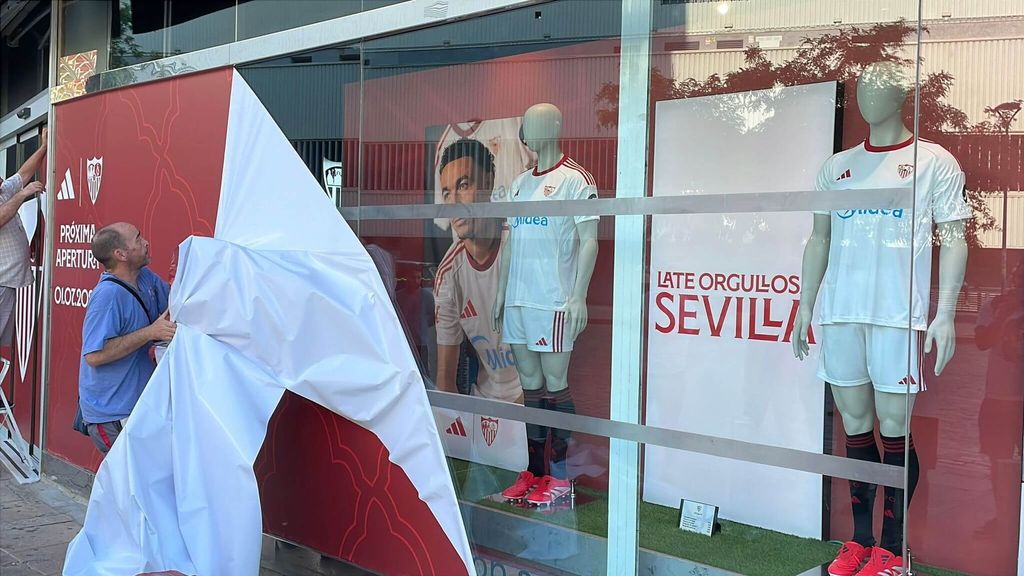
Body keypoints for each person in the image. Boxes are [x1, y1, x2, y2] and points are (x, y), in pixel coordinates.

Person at [793, 63, 971, 576]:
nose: (870, 97)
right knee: (853, 427)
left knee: (894, 428)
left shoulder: (933, 161)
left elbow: (953, 237)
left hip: (897, 316)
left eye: (882, 88)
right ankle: (861, 543)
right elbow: (819, 238)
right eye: (863, 89)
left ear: (903, 96)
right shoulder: (836, 167)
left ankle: (894, 551)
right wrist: (806, 304)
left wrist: (946, 313)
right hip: (841, 312)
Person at [493, 103, 599, 506]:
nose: (524, 132)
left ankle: (559, 476)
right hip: (519, 300)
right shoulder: (519, 183)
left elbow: (589, 240)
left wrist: (578, 295)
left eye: (530, 125)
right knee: (530, 385)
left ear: (553, 127)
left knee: (556, 385)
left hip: (552, 300)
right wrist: (501, 293)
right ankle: (534, 471)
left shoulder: (576, 181)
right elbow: (509, 240)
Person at [434, 138, 523, 404]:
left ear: (488, 182)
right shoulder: (448, 274)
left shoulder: (521, 249)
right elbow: (445, 379)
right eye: (447, 192)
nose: (455, 202)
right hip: (485, 405)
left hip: (533, 408)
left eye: (463, 185)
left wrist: (526, 428)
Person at [79, 222, 175, 454]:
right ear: (120, 254)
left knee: (144, 484)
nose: (146, 242)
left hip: (138, 408)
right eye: (138, 239)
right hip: (112, 416)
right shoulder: (107, 296)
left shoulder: (145, 278)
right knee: (126, 486)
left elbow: (175, 304)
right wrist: (151, 332)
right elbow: (93, 355)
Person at [0, 128, 47, 356]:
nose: (1, 177)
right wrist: (23, 195)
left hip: (7, 281)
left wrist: (44, 147)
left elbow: (22, 175)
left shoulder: (2, 190)